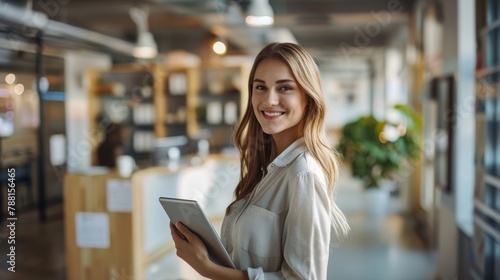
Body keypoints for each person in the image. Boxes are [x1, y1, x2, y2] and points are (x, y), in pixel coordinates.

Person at [169, 42, 350, 279]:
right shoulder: (268, 167)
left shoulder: (303, 173)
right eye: (260, 87)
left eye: (285, 88)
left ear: (308, 97)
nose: (269, 100)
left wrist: (208, 268)